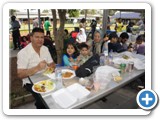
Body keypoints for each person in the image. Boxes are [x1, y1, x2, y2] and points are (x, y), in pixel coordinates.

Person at [17, 27, 55, 109]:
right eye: (37, 37)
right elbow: (20, 74)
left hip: (45, 77)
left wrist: (51, 67)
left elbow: (52, 64)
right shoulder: (23, 53)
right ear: (31, 38)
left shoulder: (45, 49)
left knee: (56, 89)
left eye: (42, 37)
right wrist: (37, 68)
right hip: (30, 80)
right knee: (42, 99)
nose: (40, 39)